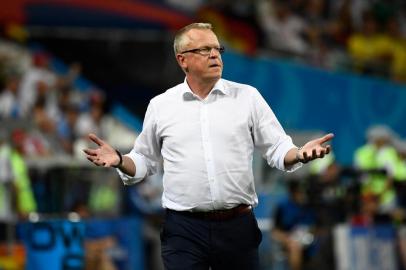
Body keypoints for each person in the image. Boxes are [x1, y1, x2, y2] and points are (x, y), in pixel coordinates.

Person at [83, 22, 333, 270]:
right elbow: (143, 161)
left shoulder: (248, 97)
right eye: (204, 49)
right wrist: (119, 159)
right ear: (183, 60)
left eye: (217, 48)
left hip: (237, 226)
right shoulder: (161, 106)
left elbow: (278, 149)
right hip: (184, 229)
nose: (215, 54)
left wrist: (300, 154)